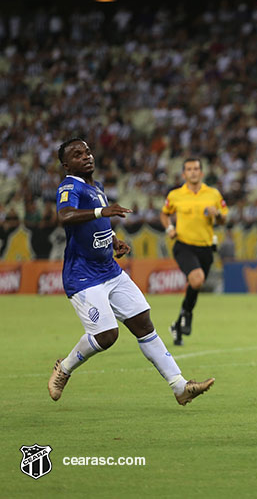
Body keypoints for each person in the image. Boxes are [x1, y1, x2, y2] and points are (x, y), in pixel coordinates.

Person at [49, 138, 214, 405]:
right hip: (83, 276)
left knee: (143, 324)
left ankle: (180, 387)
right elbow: (65, 216)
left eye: (88, 151)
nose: (87, 157)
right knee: (107, 335)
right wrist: (103, 210)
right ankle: (64, 369)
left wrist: (113, 239)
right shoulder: (70, 185)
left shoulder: (96, 187)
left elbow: (97, 221)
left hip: (109, 270)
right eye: (78, 155)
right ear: (67, 165)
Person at [160, 158, 228, 346]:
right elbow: (164, 213)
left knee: (195, 285)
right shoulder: (175, 195)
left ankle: (177, 324)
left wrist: (218, 215)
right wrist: (169, 229)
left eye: (196, 168)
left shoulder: (213, 194)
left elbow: (224, 219)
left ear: (202, 172)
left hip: (206, 247)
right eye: (189, 169)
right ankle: (187, 315)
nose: (193, 172)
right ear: (184, 174)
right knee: (197, 280)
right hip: (184, 245)